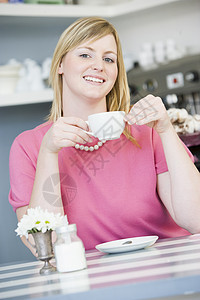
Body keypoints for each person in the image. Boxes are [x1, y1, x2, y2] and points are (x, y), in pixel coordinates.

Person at [9, 17, 200, 256]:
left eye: (109, 59)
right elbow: (46, 247)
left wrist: (166, 130)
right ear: (60, 64)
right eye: (85, 55)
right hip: (87, 282)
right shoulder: (30, 146)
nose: (99, 65)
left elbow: (196, 221)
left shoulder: (148, 133)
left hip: (168, 269)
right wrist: (49, 153)